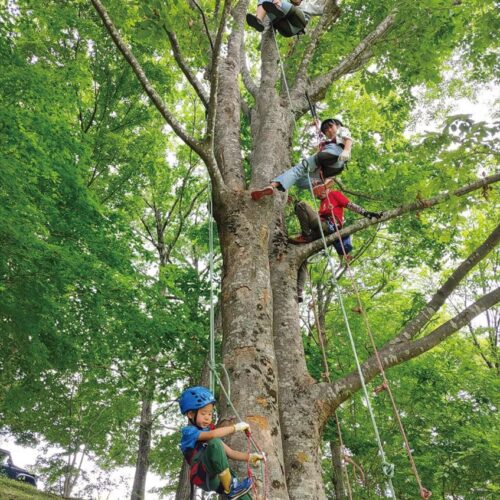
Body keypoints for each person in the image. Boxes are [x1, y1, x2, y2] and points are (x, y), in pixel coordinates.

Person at [291, 182, 382, 301]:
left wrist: (366, 213)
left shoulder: (334, 194)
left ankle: (306, 235)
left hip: (329, 226)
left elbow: (350, 205)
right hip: (320, 230)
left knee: (301, 205)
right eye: (317, 195)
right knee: (302, 255)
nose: (319, 196)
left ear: (325, 189)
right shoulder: (322, 203)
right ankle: (299, 292)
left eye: (320, 192)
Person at [179, 386, 264, 499]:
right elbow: (212, 436)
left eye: (210, 414)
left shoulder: (211, 439)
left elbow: (230, 452)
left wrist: (250, 457)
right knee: (215, 443)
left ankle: (234, 489)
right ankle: (231, 488)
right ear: (190, 414)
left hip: (216, 478)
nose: (207, 418)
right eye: (204, 413)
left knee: (242, 494)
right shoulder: (189, 432)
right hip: (203, 474)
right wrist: (235, 427)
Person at [251, 118, 353, 201]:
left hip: (336, 154)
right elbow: (318, 140)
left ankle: (272, 185)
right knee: (299, 179)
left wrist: (346, 151)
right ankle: (318, 184)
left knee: (300, 168)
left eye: (330, 127)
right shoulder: (327, 142)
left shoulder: (341, 130)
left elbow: (348, 138)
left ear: (337, 125)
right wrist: (313, 126)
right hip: (329, 167)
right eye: (326, 130)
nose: (329, 130)